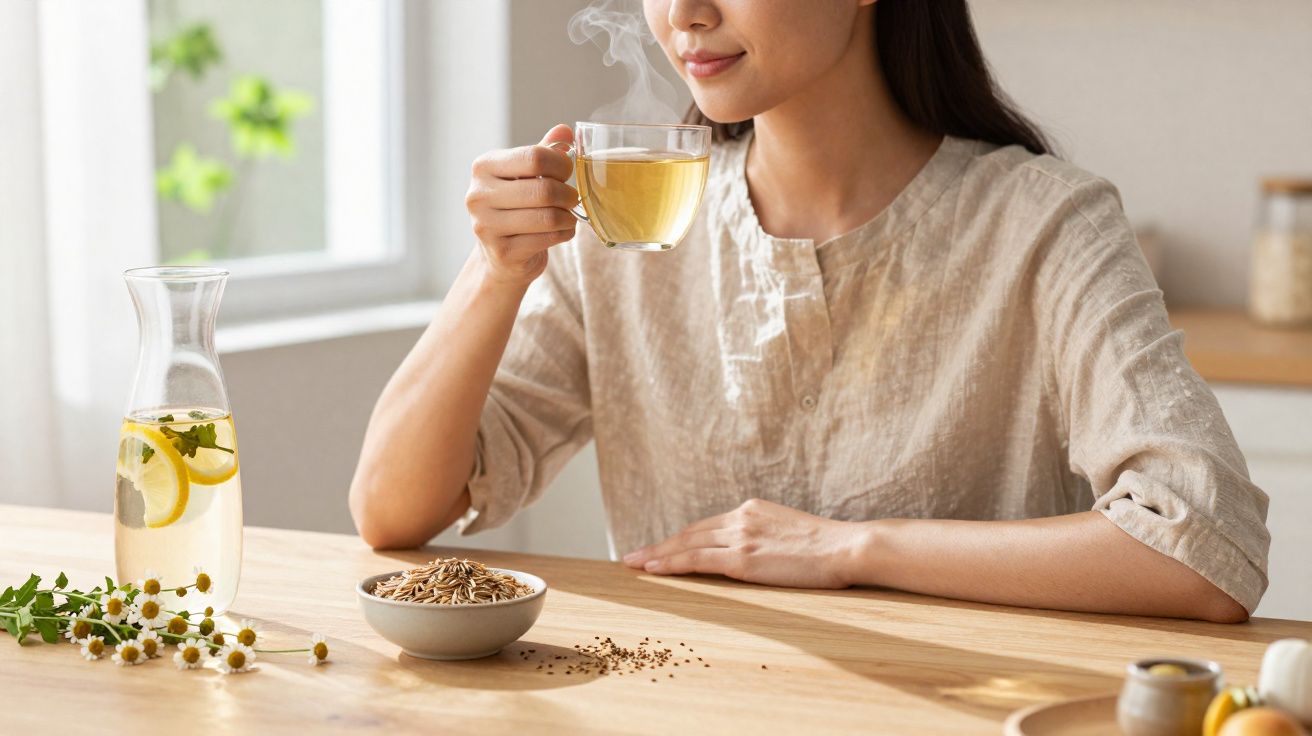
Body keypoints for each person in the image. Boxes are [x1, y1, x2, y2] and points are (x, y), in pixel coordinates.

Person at [348, 0, 1269, 622]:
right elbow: (392, 512)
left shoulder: (1043, 223)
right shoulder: (627, 216)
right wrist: (493, 272)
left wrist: (848, 548)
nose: (684, 14)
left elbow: (1203, 549)